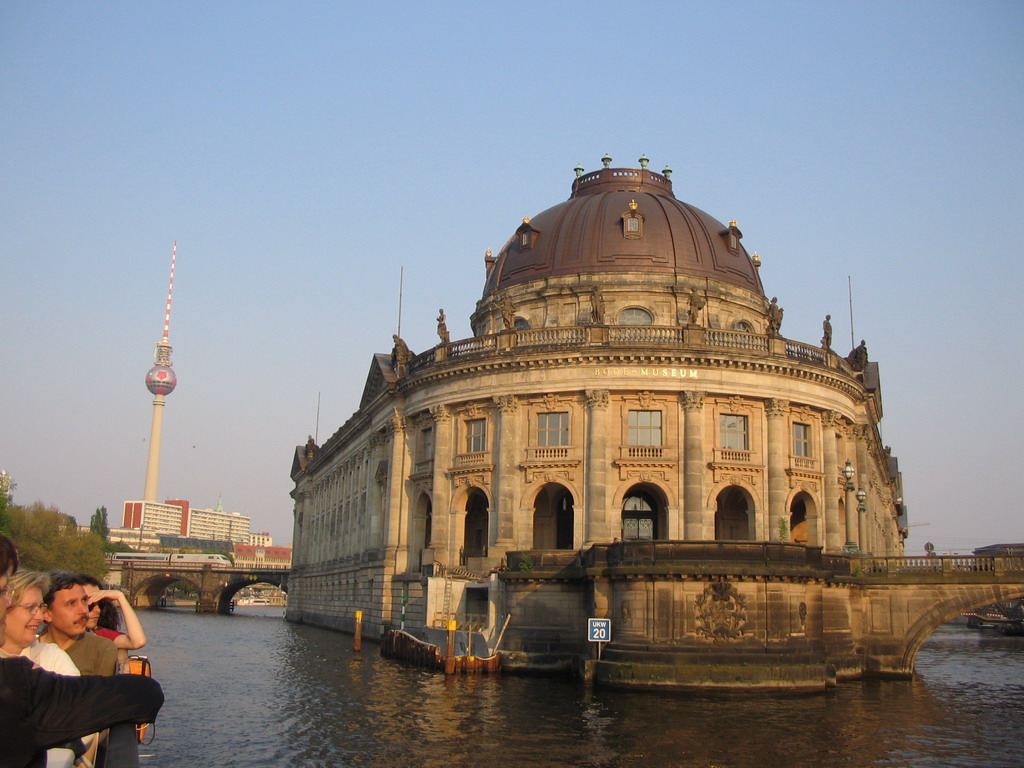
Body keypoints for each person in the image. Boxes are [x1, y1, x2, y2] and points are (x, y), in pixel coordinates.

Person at [0, 534, 164, 768]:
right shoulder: (18, 682)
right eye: (4, 591)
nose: (85, 611)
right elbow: (145, 693)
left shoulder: (81, 650)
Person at [3, 571, 85, 766]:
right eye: (31, 608)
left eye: (40, 607)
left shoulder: (51, 657)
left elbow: (78, 718)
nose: (40, 616)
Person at [39, 572, 118, 677]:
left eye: (84, 601)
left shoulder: (102, 649)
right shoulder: (28, 648)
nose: (83, 610)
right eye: (71, 604)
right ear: (47, 613)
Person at [79, 575, 147, 674]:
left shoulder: (99, 635)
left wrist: (120, 597)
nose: (97, 610)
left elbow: (138, 641)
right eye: (90, 604)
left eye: (100, 604)